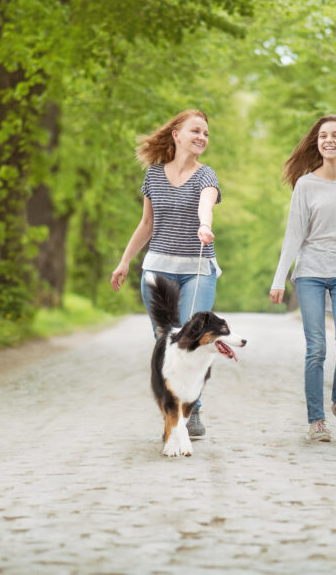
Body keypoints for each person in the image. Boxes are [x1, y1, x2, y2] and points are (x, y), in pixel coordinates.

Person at [111, 108, 221, 437]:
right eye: (195, 131)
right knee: (167, 342)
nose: (202, 137)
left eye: (205, 133)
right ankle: (174, 408)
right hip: (157, 270)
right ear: (176, 135)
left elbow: (206, 203)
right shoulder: (154, 175)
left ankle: (193, 409)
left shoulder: (207, 175)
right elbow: (147, 224)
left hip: (197, 270)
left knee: (193, 339)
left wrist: (204, 224)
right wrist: (125, 260)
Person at [270, 114, 336, 442]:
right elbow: (293, 235)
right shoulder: (305, 184)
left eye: (335, 135)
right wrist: (279, 278)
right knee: (316, 348)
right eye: (322, 136)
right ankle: (316, 420)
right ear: (318, 143)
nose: (328, 140)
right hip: (310, 274)